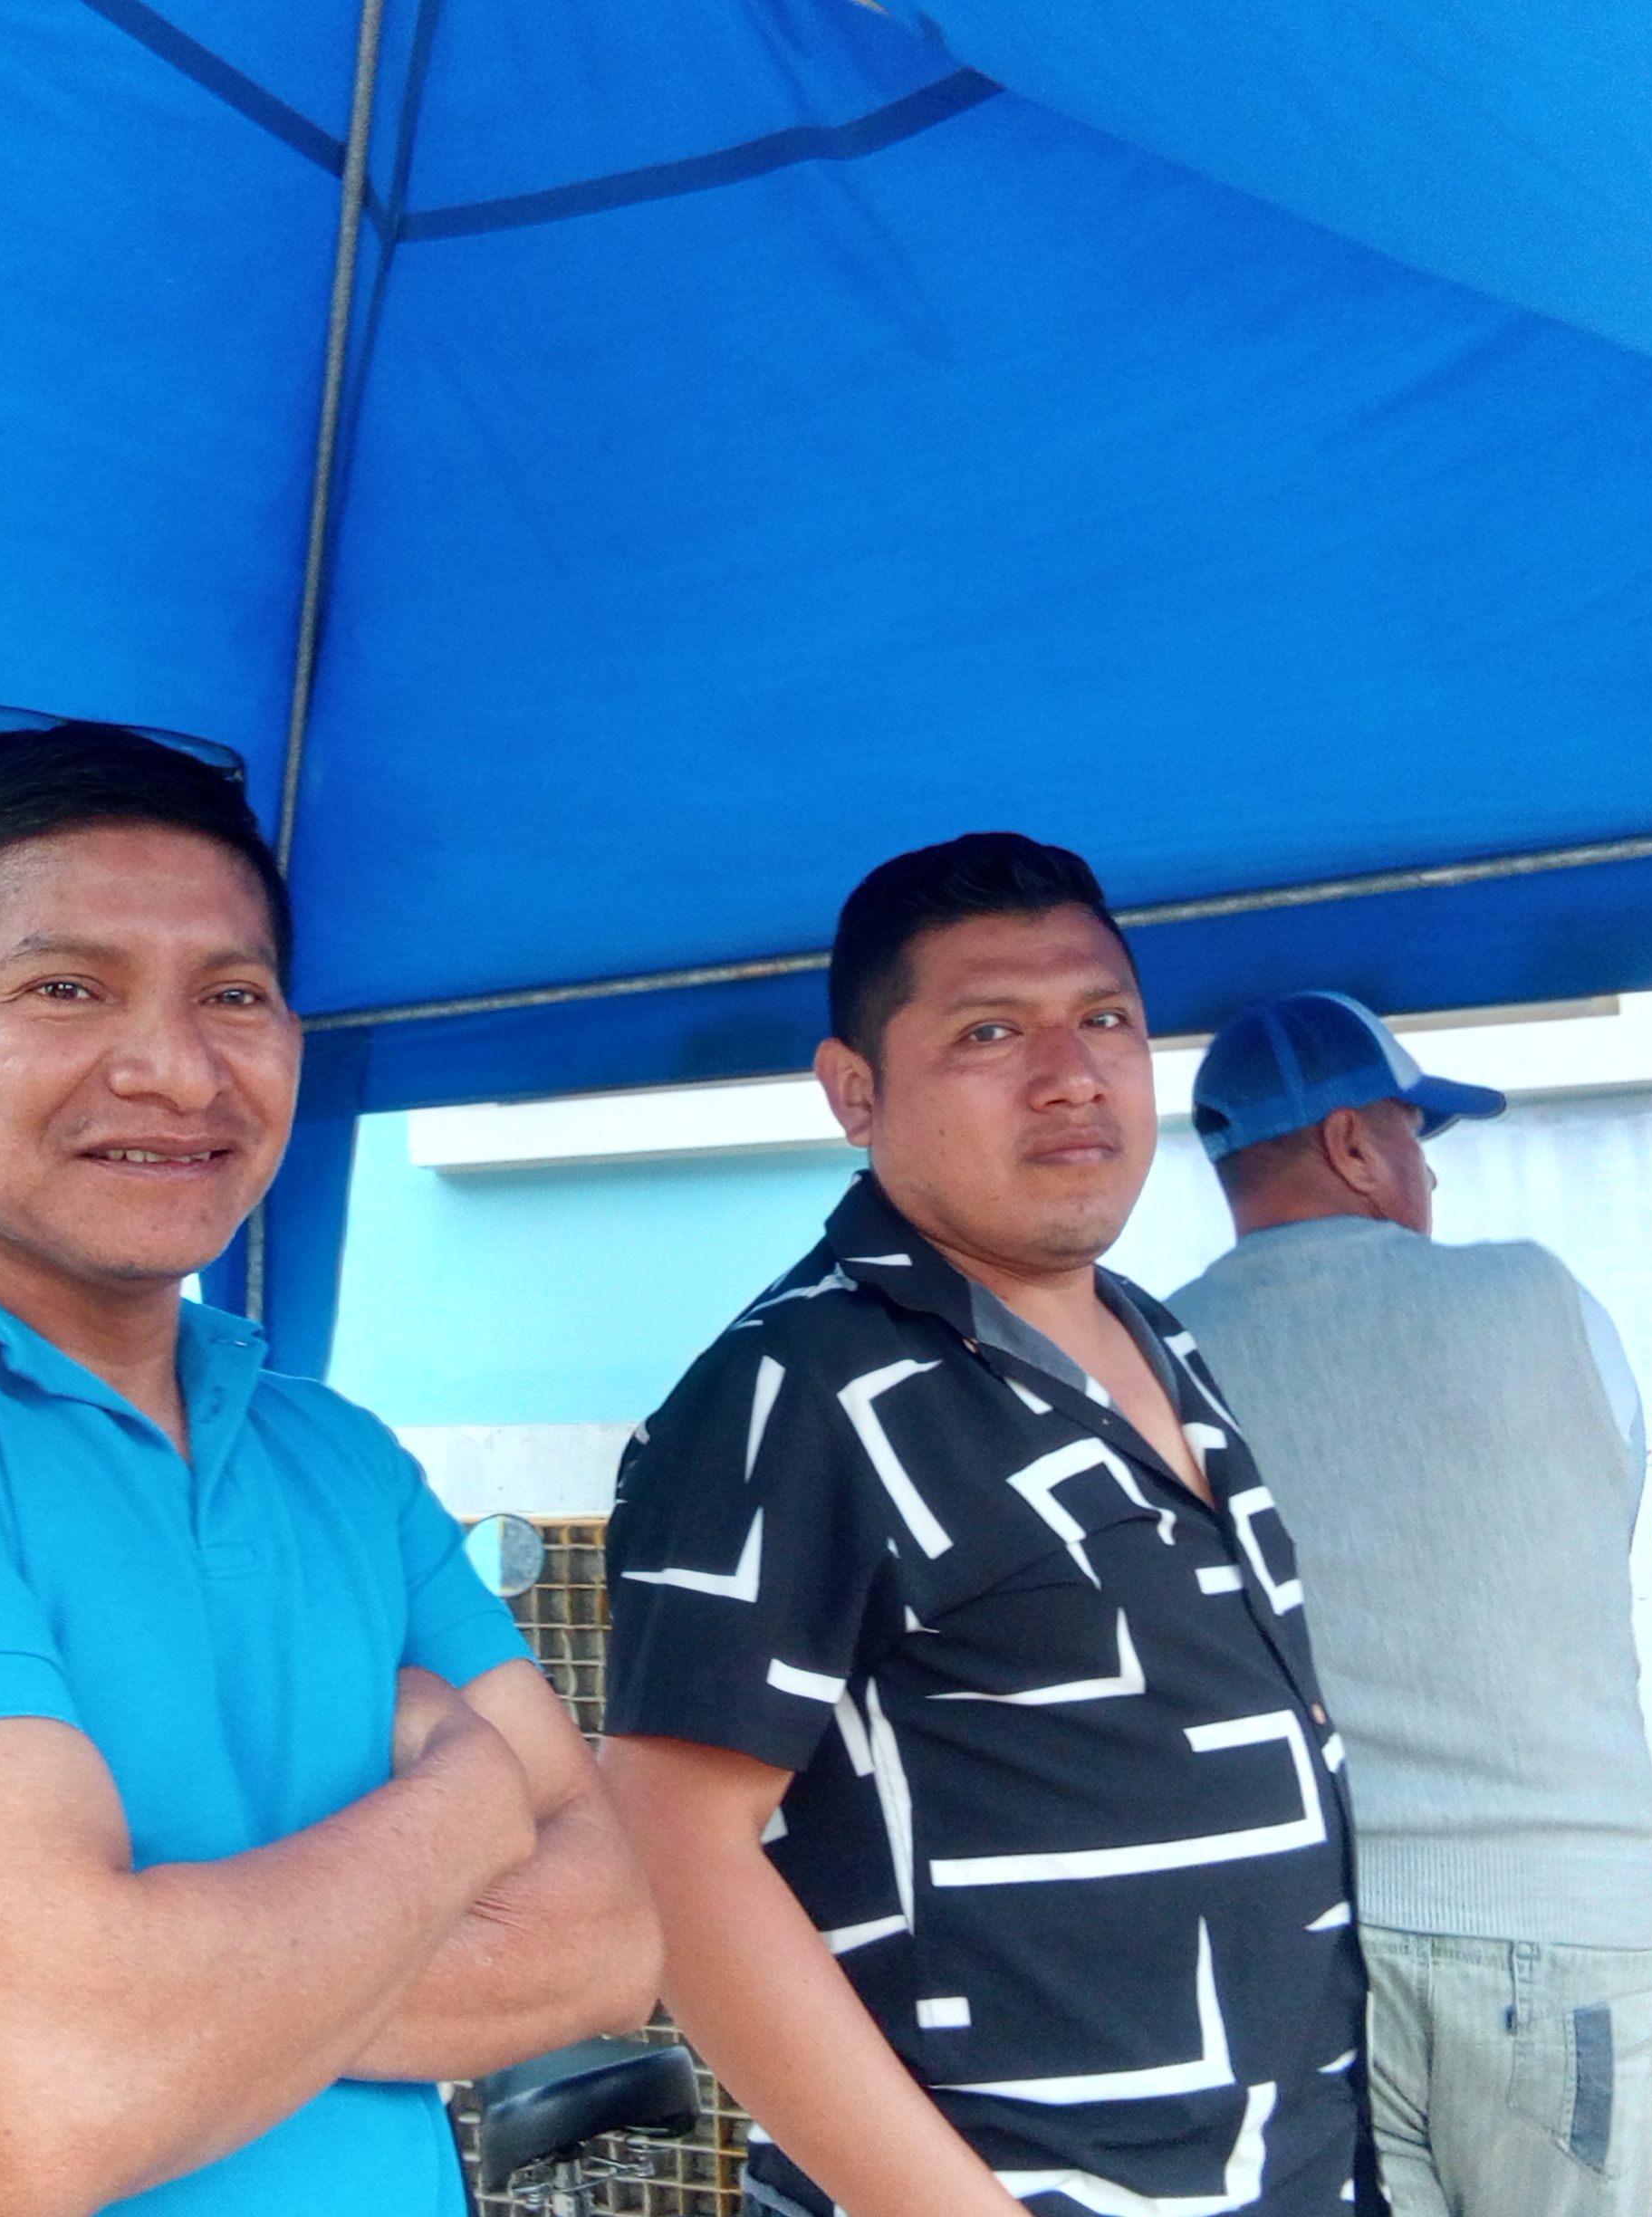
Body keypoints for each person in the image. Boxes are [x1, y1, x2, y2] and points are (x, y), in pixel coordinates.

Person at [0, 722, 660, 2217]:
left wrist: (153, 1998)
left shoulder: (329, 1451)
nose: (173, 1068)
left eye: (233, 995)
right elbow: (45, 2093)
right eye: (64, 988)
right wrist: (468, 1804)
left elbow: (609, 1940)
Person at [601, 833, 1371, 2217]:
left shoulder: (1160, 1339)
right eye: (991, 1031)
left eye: (1107, 1019)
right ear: (855, 1092)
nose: (1072, 1074)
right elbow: (673, 1855)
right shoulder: (794, 1389)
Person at [1164, 990, 1652, 2217]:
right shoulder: (1535, 1296)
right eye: (1413, 1136)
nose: (1428, 1175)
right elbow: (1603, 1519)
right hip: (1557, 1919)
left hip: (1302, 1938)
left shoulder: (1161, 1355)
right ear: (1351, 1143)